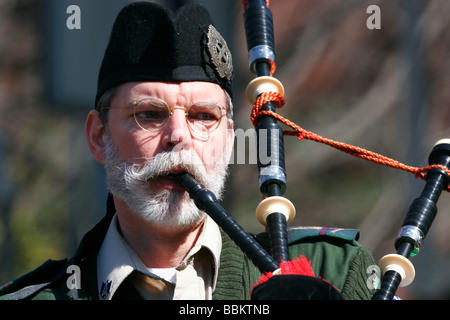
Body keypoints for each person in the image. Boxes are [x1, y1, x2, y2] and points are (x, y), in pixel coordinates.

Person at [0, 2, 377, 300]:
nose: (178, 136)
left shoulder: (335, 273)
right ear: (99, 136)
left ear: (229, 140)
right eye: (149, 114)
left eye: (202, 116)